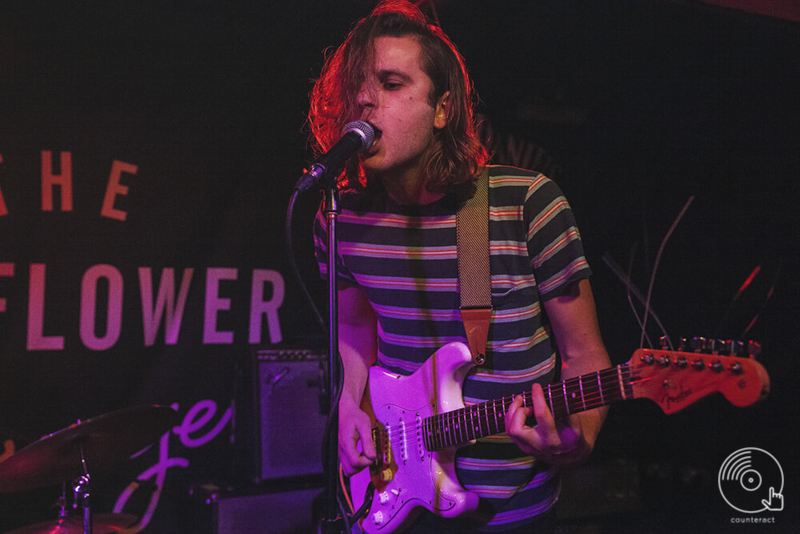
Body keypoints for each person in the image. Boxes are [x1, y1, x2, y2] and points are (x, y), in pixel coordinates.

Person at [309, 1, 611, 531]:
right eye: (358, 86)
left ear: (442, 109)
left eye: (392, 83)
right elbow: (355, 326)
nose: (366, 99)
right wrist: (350, 408)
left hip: (512, 509)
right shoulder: (340, 218)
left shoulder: (526, 203)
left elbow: (584, 352)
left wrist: (577, 440)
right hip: (393, 491)